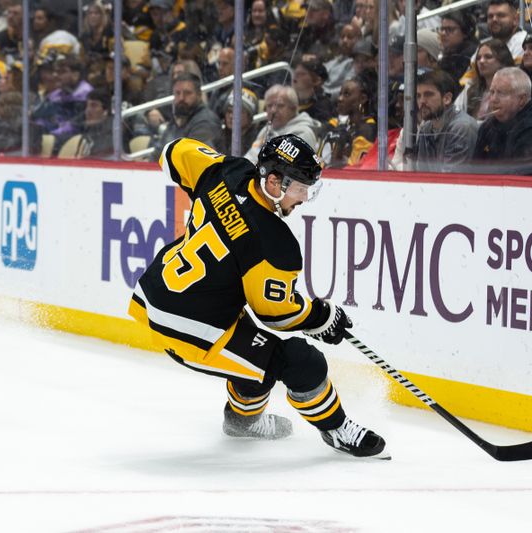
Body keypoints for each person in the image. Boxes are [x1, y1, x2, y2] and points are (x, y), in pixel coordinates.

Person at [128, 134, 388, 459]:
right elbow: (275, 314)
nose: (305, 197)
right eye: (300, 188)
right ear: (274, 182)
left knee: (255, 356)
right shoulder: (274, 243)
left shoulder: (227, 170)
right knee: (300, 362)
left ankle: (241, 422)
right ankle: (337, 429)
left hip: (156, 294)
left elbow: (173, 152)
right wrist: (322, 317)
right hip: (194, 328)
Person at [473, 67, 532, 175]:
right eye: (492, 92)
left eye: (501, 93)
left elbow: (525, 178)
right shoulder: (487, 127)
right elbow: (475, 171)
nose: (493, 99)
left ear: (522, 99)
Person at [415, 69, 478, 172]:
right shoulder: (426, 128)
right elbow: (422, 174)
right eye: (418, 96)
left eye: (428, 94)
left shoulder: (462, 127)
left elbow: (451, 181)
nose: (421, 101)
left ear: (447, 98)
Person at [152, 72, 222, 158]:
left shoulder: (206, 121)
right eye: (177, 93)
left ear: (199, 95)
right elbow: (157, 154)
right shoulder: (178, 119)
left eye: (187, 93)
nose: (181, 98)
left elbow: (192, 158)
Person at [244, 84, 321, 163]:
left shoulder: (303, 133)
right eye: (269, 106)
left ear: (293, 108)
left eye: (280, 106)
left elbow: (283, 167)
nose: (273, 110)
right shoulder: (265, 130)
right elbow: (251, 157)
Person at [320, 71, 377, 167]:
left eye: (346, 94)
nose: (340, 99)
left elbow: (356, 169)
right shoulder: (334, 124)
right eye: (340, 94)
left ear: (363, 99)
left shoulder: (367, 129)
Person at [455, 39, 514, 120]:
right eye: (478, 58)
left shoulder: (513, 89)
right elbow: (456, 114)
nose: (481, 61)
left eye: (488, 57)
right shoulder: (470, 88)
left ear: (502, 61)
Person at [438, 11, 479, 82]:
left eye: (449, 29)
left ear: (465, 32)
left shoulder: (471, 56)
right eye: (442, 29)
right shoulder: (447, 54)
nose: (443, 33)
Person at [292, 57, 332, 124]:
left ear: (316, 81)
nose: (294, 78)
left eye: (301, 74)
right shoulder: (289, 102)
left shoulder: (323, 106)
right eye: (294, 73)